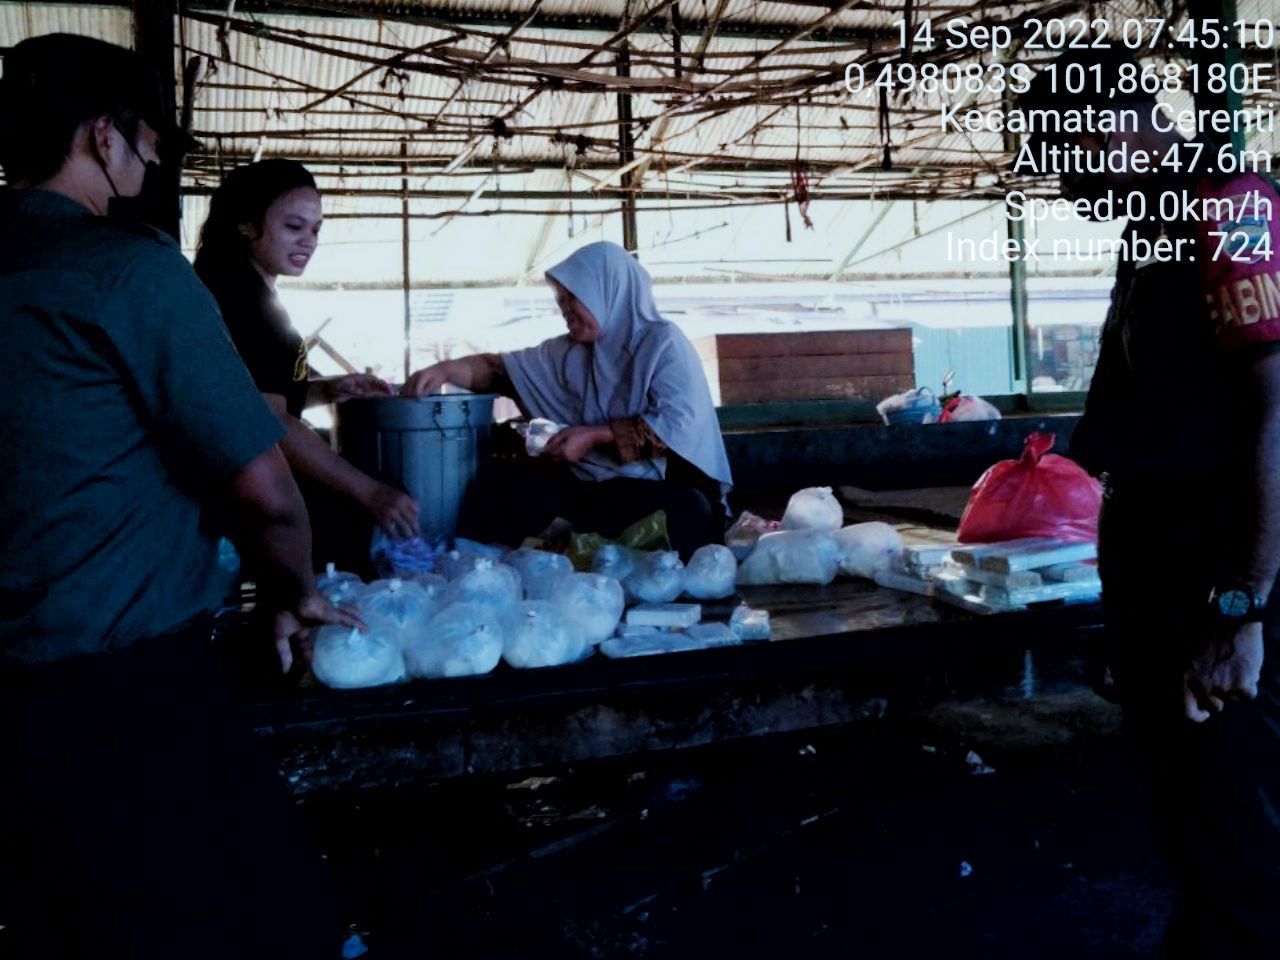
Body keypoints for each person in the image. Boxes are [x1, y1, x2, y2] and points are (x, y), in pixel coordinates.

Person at [0, 34, 355, 958]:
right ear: (102, 136)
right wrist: (294, 592)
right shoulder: (129, 270)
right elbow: (267, 492)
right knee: (266, 918)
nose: (152, 162)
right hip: (123, 685)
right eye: (148, 141)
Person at [1019, 48, 1280, 957]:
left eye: (1065, 158)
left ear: (1108, 129)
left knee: (1239, 839)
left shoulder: (1232, 205)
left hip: (1215, 585)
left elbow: (1273, 410)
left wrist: (1241, 610)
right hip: (1165, 587)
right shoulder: (1156, 228)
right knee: (1193, 827)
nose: (1064, 186)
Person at [402, 241, 732, 559]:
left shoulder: (662, 344)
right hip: (593, 488)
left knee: (687, 510)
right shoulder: (566, 353)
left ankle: (585, 549)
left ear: (608, 291)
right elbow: (498, 371)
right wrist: (446, 370)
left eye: (573, 298)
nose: (565, 311)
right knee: (498, 485)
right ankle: (498, 563)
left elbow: (677, 431)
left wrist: (593, 437)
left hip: (657, 485)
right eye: (561, 301)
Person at [195, 159, 419, 572]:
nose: (309, 241)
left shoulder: (244, 292)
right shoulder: (243, 304)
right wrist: (369, 492)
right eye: (294, 226)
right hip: (246, 494)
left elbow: (257, 392)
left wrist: (328, 389)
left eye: (315, 229)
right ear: (246, 225)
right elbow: (269, 420)